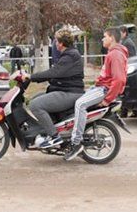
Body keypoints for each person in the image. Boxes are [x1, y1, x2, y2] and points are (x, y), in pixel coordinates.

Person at [64, 28, 129, 161]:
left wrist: (107, 100)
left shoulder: (115, 55)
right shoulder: (113, 53)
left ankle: (75, 143)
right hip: (99, 87)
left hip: (103, 90)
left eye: (105, 37)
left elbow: (119, 80)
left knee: (80, 104)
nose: (102, 39)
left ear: (112, 38)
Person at [26, 29, 84, 149]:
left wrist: (31, 77)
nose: (55, 43)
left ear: (61, 43)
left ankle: (54, 136)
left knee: (35, 105)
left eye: (56, 41)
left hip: (70, 93)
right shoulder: (69, 54)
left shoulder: (70, 56)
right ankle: (49, 129)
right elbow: (58, 74)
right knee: (36, 98)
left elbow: (55, 72)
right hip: (66, 90)